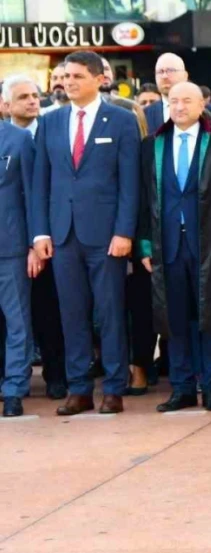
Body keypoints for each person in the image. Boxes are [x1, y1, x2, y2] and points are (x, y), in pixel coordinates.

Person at [33, 51, 140, 415]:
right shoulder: (50, 122)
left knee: (110, 313)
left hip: (107, 236)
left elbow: (130, 183)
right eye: (65, 76)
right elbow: (40, 184)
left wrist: (125, 231)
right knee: (72, 313)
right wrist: (40, 234)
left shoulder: (122, 121)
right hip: (63, 235)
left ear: (99, 78)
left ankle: (113, 388)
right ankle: (79, 389)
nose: (69, 82)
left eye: (77, 75)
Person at [138, 82, 211, 412]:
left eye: (187, 100)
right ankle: (182, 387)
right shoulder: (153, 144)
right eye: (173, 101)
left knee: (210, 317)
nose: (179, 106)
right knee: (175, 319)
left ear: (203, 104)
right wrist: (145, 246)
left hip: (210, 242)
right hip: (167, 244)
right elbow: (145, 198)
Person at [3, 76, 66, 400]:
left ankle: (38, 380)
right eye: (23, 96)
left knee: (36, 314)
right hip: (14, 245)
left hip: (32, 244)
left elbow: (38, 192)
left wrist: (35, 242)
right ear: (7, 104)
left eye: (34, 95)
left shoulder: (38, 134)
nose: (32, 101)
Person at [107, 96, 156, 397]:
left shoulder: (148, 151)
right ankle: (115, 365)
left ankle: (140, 366)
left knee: (141, 308)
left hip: (140, 239)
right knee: (111, 308)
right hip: (103, 235)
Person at [0, 116, 36, 416]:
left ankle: (14, 390)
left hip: (9, 247)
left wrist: (34, 244)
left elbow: (32, 195)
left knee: (18, 323)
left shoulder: (19, 138)